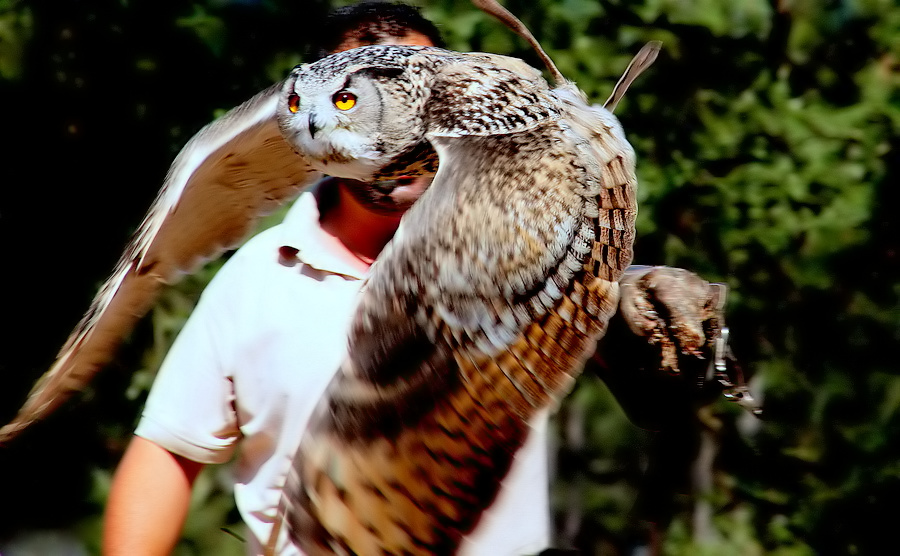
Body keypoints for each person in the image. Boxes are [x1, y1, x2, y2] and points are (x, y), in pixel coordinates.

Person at [103, 4, 551, 556]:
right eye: (351, 98)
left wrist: (653, 306)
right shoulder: (261, 278)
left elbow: (651, 372)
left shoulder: (533, 253)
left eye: (409, 92)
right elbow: (169, 451)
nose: (388, 124)